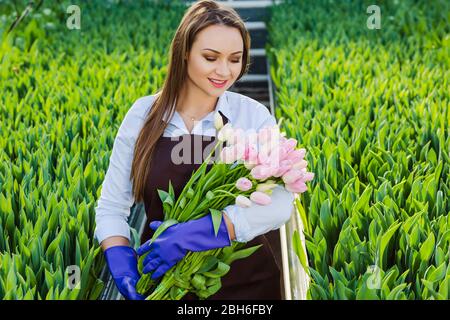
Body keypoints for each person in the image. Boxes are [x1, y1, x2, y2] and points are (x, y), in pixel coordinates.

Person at [94, 0, 295, 300]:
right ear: (184, 52)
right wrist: (119, 253)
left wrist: (202, 233)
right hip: (164, 279)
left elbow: (281, 202)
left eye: (235, 59)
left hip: (248, 289)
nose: (224, 71)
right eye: (210, 57)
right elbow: (111, 207)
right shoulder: (143, 115)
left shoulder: (251, 116)